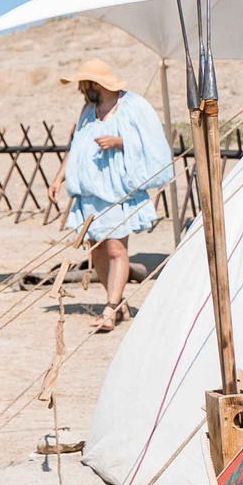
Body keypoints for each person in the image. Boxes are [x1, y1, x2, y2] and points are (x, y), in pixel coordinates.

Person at [49, 58, 174, 332]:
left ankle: (110, 310)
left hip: (118, 193)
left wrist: (119, 142)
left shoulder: (133, 106)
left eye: (83, 84)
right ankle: (116, 303)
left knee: (117, 249)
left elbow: (152, 143)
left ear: (95, 84)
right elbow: (76, 146)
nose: (81, 90)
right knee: (98, 251)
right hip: (91, 194)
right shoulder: (88, 110)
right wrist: (59, 178)